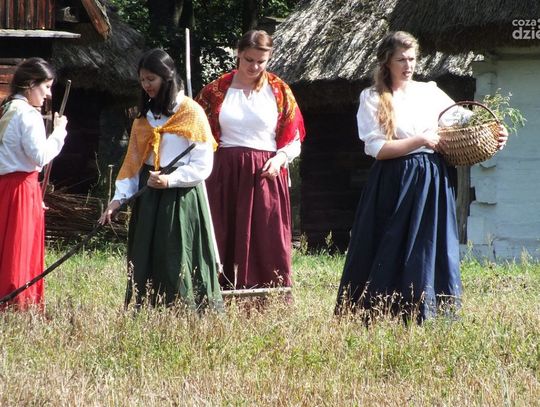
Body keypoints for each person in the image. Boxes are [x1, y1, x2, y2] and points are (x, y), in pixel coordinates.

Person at [335, 31, 508, 323]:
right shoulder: (373, 97)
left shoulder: (429, 92)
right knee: (390, 243)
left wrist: (496, 133)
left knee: (429, 244)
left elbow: (468, 122)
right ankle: (381, 311)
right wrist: (420, 140)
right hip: (395, 179)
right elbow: (378, 149)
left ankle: (428, 312)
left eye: (412, 59)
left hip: (433, 179)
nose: (408, 65)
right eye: (401, 59)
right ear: (387, 62)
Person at [99, 49, 222, 311]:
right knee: (146, 255)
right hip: (149, 195)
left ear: (167, 77)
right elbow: (132, 164)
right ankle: (149, 311)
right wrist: (118, 199)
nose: (146, 85)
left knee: (177, 255)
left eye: (151, 79)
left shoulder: (191, 113)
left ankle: (186, 310)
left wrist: (171, 180)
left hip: (181, 196)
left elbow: (203, 164)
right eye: (142, 80)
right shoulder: (143, 118)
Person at [195, 30, 306, 290]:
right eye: (249, 60)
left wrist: (280, 158)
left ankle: (267, 296)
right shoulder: (216, 90)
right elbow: (196, 130)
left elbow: (294, 137)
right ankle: (219, 294)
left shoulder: (279, 91)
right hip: (223, 172)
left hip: (266, 173)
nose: (254, 67)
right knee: (223, 232)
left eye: (261, 61)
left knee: (266, 236)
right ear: (238, 54)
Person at [0, 58, 68, 309]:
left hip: (7, 186)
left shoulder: (7, 108)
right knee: (18, 246)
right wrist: (59, 132)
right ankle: (17, 302)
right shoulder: (28, 114)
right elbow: (40, 156)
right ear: (30, 84)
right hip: (21, 187)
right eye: (46, 87)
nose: (48, 94)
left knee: (6, 244)